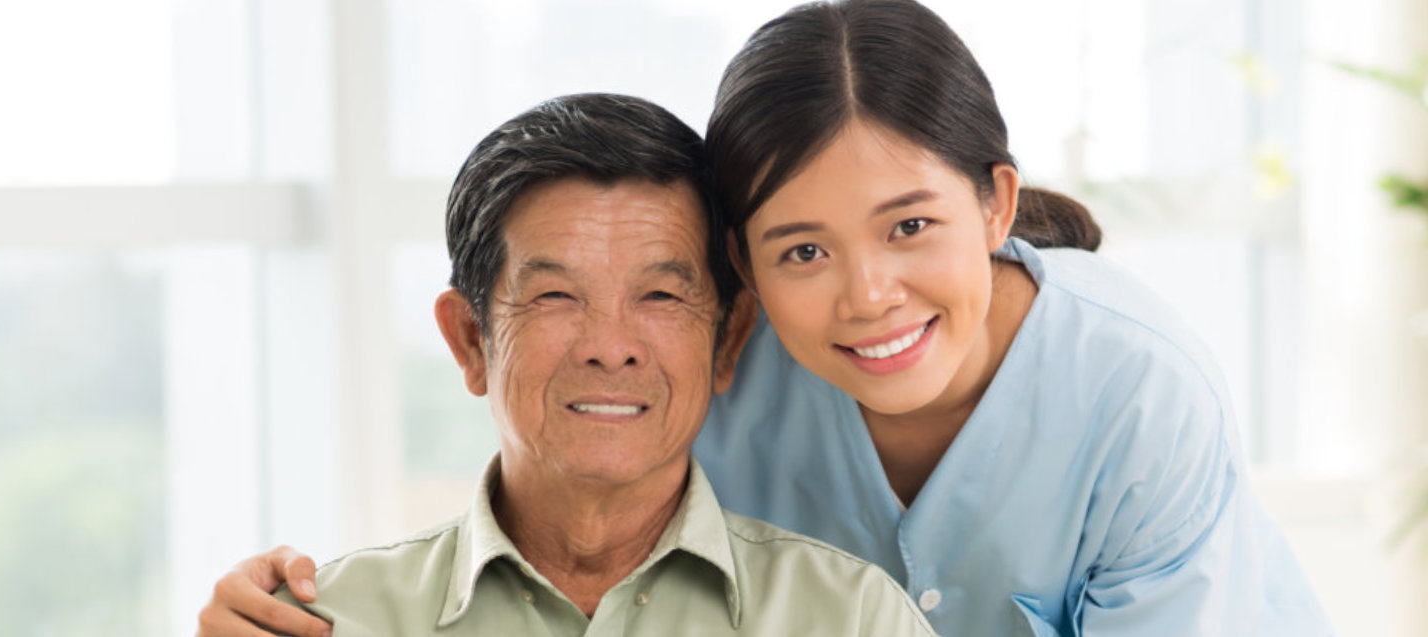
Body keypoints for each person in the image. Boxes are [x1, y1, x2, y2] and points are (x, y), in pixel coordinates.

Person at [199, 1, 1335, 635]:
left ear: (993, 201)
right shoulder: (715, 365)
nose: (867, 296)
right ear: (743, 277)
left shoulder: (1134, 390)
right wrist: (280, 599)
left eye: (909, 227)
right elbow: (561, 463)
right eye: (802, 249)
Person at [249, 92, 936, 637]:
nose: (611, 345)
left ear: (728, 340)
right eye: (555, 295)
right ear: (469, 339)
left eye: (661, 294)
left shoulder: (851, 618)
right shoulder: (325, 621)